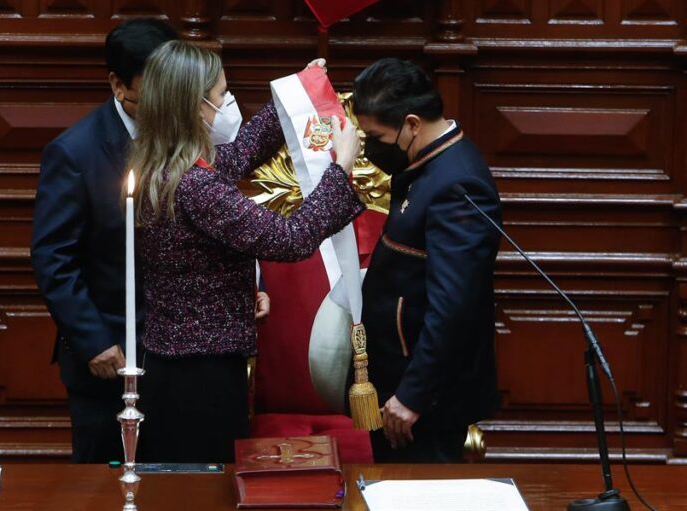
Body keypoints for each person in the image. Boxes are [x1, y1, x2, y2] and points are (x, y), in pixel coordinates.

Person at [132, 41, 364, 463]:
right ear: (196, 106)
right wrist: (339, 170)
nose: (227, 103)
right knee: (202, 490)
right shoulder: (196, 186)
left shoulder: (164, 166)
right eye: (222, 95)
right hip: (201, 375)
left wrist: (299, 91)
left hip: (176, 364)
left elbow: (240, 154)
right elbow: (290, 238)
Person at [30, 18, 178, 463]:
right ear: (118, 84)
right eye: (155, 87)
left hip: (178, 355)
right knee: (103, 484)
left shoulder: (186, 135)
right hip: (108, 357)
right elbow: (53, 258)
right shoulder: (74, 152)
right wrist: (93, 339)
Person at [353, 58, 502, 463]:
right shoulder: (426, 164)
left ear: (413, 124)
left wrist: (413, 395)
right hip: (398, 378)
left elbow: (453, 306)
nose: (370, 147)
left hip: (424, 400)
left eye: (376, 135)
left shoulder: (458, 184)